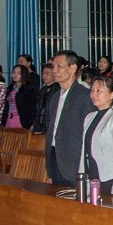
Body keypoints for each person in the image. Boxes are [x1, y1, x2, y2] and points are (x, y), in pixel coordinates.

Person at [42, 52, 92, 186]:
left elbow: (87, 134)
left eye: (59, 66)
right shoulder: (55, 96)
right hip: (54, 157)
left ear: (73, 68)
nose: (55, 70)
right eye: (53, 66)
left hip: (73, 161)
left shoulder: (84, 96)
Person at [78, 75, 113, 198]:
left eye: (99, 91)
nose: (93, 94)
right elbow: (84, 151)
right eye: (92, 90)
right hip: (91, 177)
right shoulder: (89, 117)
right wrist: (81, 178)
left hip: (109, 179)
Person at [3, 64, 39, 130]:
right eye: (14, 72)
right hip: (9, 119)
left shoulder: (29, 89)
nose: (15, 75)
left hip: (21, 121)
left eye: (19, 73)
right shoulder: (10, 88)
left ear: (24, 74)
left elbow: (31, 109)